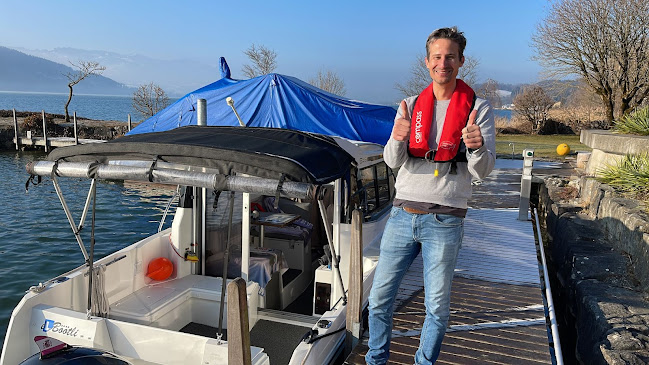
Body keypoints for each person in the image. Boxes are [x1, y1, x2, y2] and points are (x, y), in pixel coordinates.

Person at [365, 27, 496, 365]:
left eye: (450, 56)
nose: (443, 63)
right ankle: (375, 359)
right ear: (427, 62)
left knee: (436, 306)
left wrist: (477, 147)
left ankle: (424, 362)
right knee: (379, 298)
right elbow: (393, 162)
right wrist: (396, 138)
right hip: (401, 215)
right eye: (437, 57)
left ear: (461, 61)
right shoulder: (409, 106)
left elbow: (482, 172)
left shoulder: (478, 109)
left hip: (446, 219)